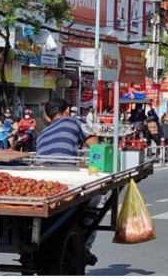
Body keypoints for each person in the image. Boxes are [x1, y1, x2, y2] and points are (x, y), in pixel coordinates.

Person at [36, 98, 100, 265]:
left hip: (40, 177)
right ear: (66, 112)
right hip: (65, 176)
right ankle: (85, 247)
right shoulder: (75, 121)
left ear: (49, 118)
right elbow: (96, 147)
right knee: (96, 198)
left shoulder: (42, 133)